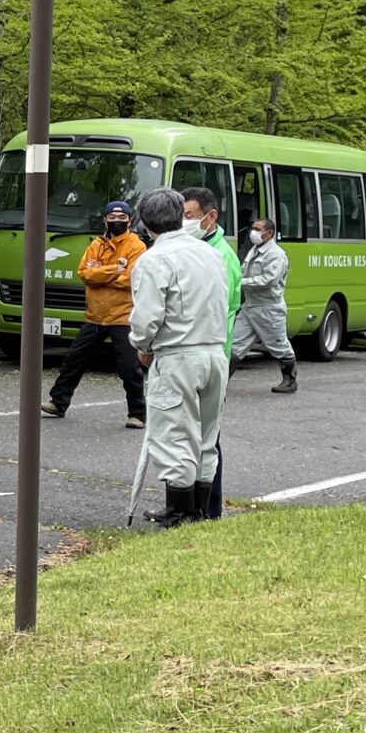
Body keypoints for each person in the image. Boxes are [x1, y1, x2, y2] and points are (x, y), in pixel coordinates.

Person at [128, 186, 229, 527]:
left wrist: (142, 346)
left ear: (144, 222)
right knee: (206, 435)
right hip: (214, 351)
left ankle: (180, 509)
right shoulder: (211, 254)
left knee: (174, 434)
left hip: (177, 355)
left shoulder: (154, 259)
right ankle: (199, 508)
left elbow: (146, 318)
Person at [43, 199, 143, 425]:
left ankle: (137, 413)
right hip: (95, 316)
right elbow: (84, 273)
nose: (117, 221)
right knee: (73, 360)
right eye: (112, 217)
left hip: (122, 316)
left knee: (129, 368)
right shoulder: (96, 245)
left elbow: (131, 279)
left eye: (122, 218)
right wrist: (114, 270)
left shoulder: (136, 246)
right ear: (105, 220)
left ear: (130, 220)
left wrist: (101, 274)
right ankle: (58, 402)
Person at [183, 185, 243, 520]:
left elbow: (221, 312)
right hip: (198, 355)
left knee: (207, 437)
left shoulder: (221, 255)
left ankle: (209, 508)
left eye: (189, 215)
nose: (184, 222)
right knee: (190, 434)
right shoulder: (197, 249)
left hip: (212, 355)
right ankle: (189, 505)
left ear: (211, 217)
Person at [232, 214, 298, 392]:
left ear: (269, 233)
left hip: (269, 308)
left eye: (257, 229)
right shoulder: (254, 250)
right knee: (234, 346)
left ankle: (290, 381)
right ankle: (220, 384)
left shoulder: (277, 255)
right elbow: (242, 272)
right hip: (250, 307)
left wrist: (240, 283)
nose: (252, 232)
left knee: (279, 345)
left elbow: (269, 280)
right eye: (252, 228)